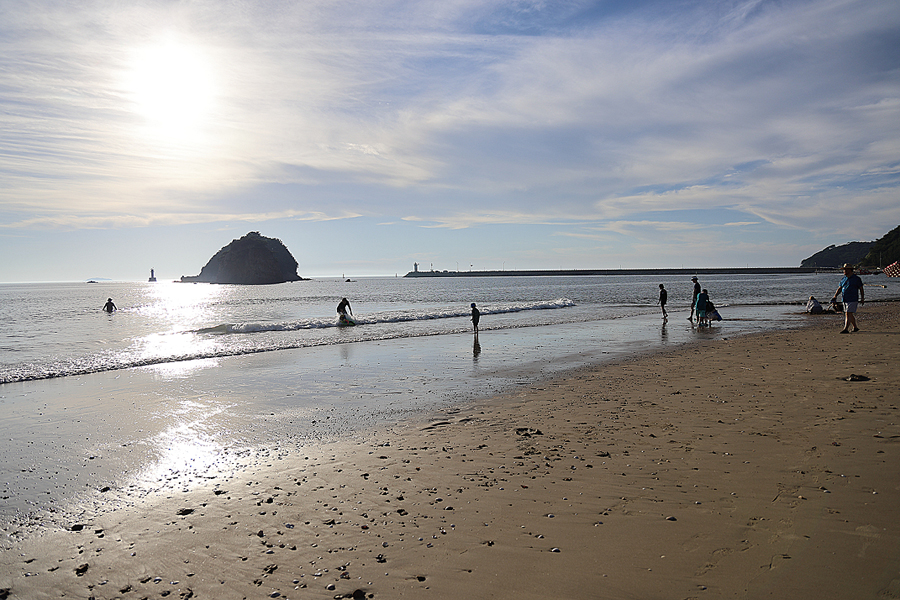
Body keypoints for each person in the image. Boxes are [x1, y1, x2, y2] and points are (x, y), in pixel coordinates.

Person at [831, 263, 864, 333]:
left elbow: (861, 288)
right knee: (848, 313)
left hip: (853, 299)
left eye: (846, 269)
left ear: (850, 270)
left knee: (848, 313)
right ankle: (855, 327)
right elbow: (839, 288)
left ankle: (845, 329)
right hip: (845, 299)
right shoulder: (843, 279)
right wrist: (835, 296)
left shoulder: (856, 279)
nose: (844, 271)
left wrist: (862, 298)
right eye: (844, 269)